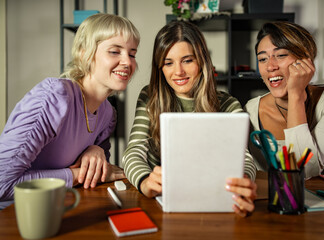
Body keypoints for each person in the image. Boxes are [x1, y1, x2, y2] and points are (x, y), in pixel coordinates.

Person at [0, 13, 140, 203]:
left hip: (62, 207)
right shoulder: (53, 98)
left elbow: (97, 173)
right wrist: (76, 175)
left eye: (132, 53)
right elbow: (2, 184)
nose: (128, 62)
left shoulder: (108, 114)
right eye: (115, 51)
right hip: (16, 216)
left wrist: (95, 149)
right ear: (85, 54)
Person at [122, 20, 257, 217]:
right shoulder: (150, 96)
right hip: (159, 199)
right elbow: (134, 151)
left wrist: (242, 180)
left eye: (187, 60)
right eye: (168, 63)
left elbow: (243, 157)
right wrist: (144, 181)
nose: (178, 72)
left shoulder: (228, 104)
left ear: (201, 60)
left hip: (212, 196)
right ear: (160, 67)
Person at [245, 21, 324, 178]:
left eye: (281, 55)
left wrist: (295, 95)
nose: (270, 66)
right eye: (262, 59)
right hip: (277, 197)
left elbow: (305, 170)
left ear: (306, 59)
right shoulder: (250, 110)